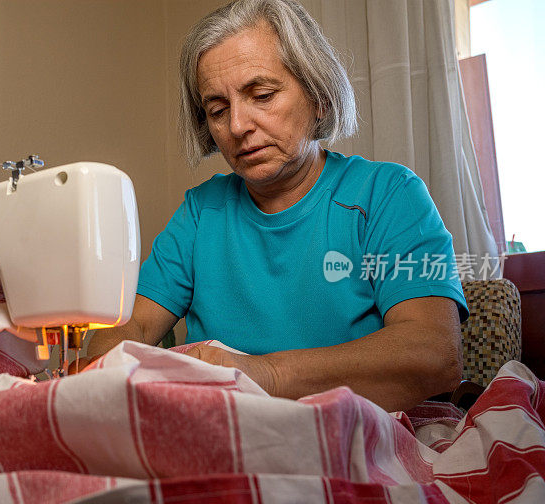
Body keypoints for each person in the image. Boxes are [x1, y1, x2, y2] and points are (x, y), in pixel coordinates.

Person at [84, 0, 468, 412]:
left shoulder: (389, 194)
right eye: (217, 109)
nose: (236, 126)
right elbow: (133, 324)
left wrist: (262, 374)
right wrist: (98, 367)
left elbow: (434, 356)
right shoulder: (200, 212)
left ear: (319, 96)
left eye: (262, 95)